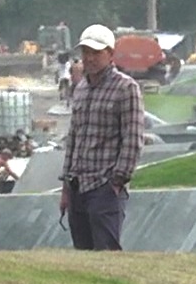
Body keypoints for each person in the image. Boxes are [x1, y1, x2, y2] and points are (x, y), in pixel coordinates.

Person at [60, 24, 144, 250]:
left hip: (104, 186)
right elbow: (73, 139)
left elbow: (133, 139)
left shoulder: (126, 88)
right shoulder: (81, 89)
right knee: (83, 256)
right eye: (86, 52)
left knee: (106, 254)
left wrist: (117, 182)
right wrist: (66, 186)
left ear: (110, 54)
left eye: (96, 53)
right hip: (78, 186)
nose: (89, 58)